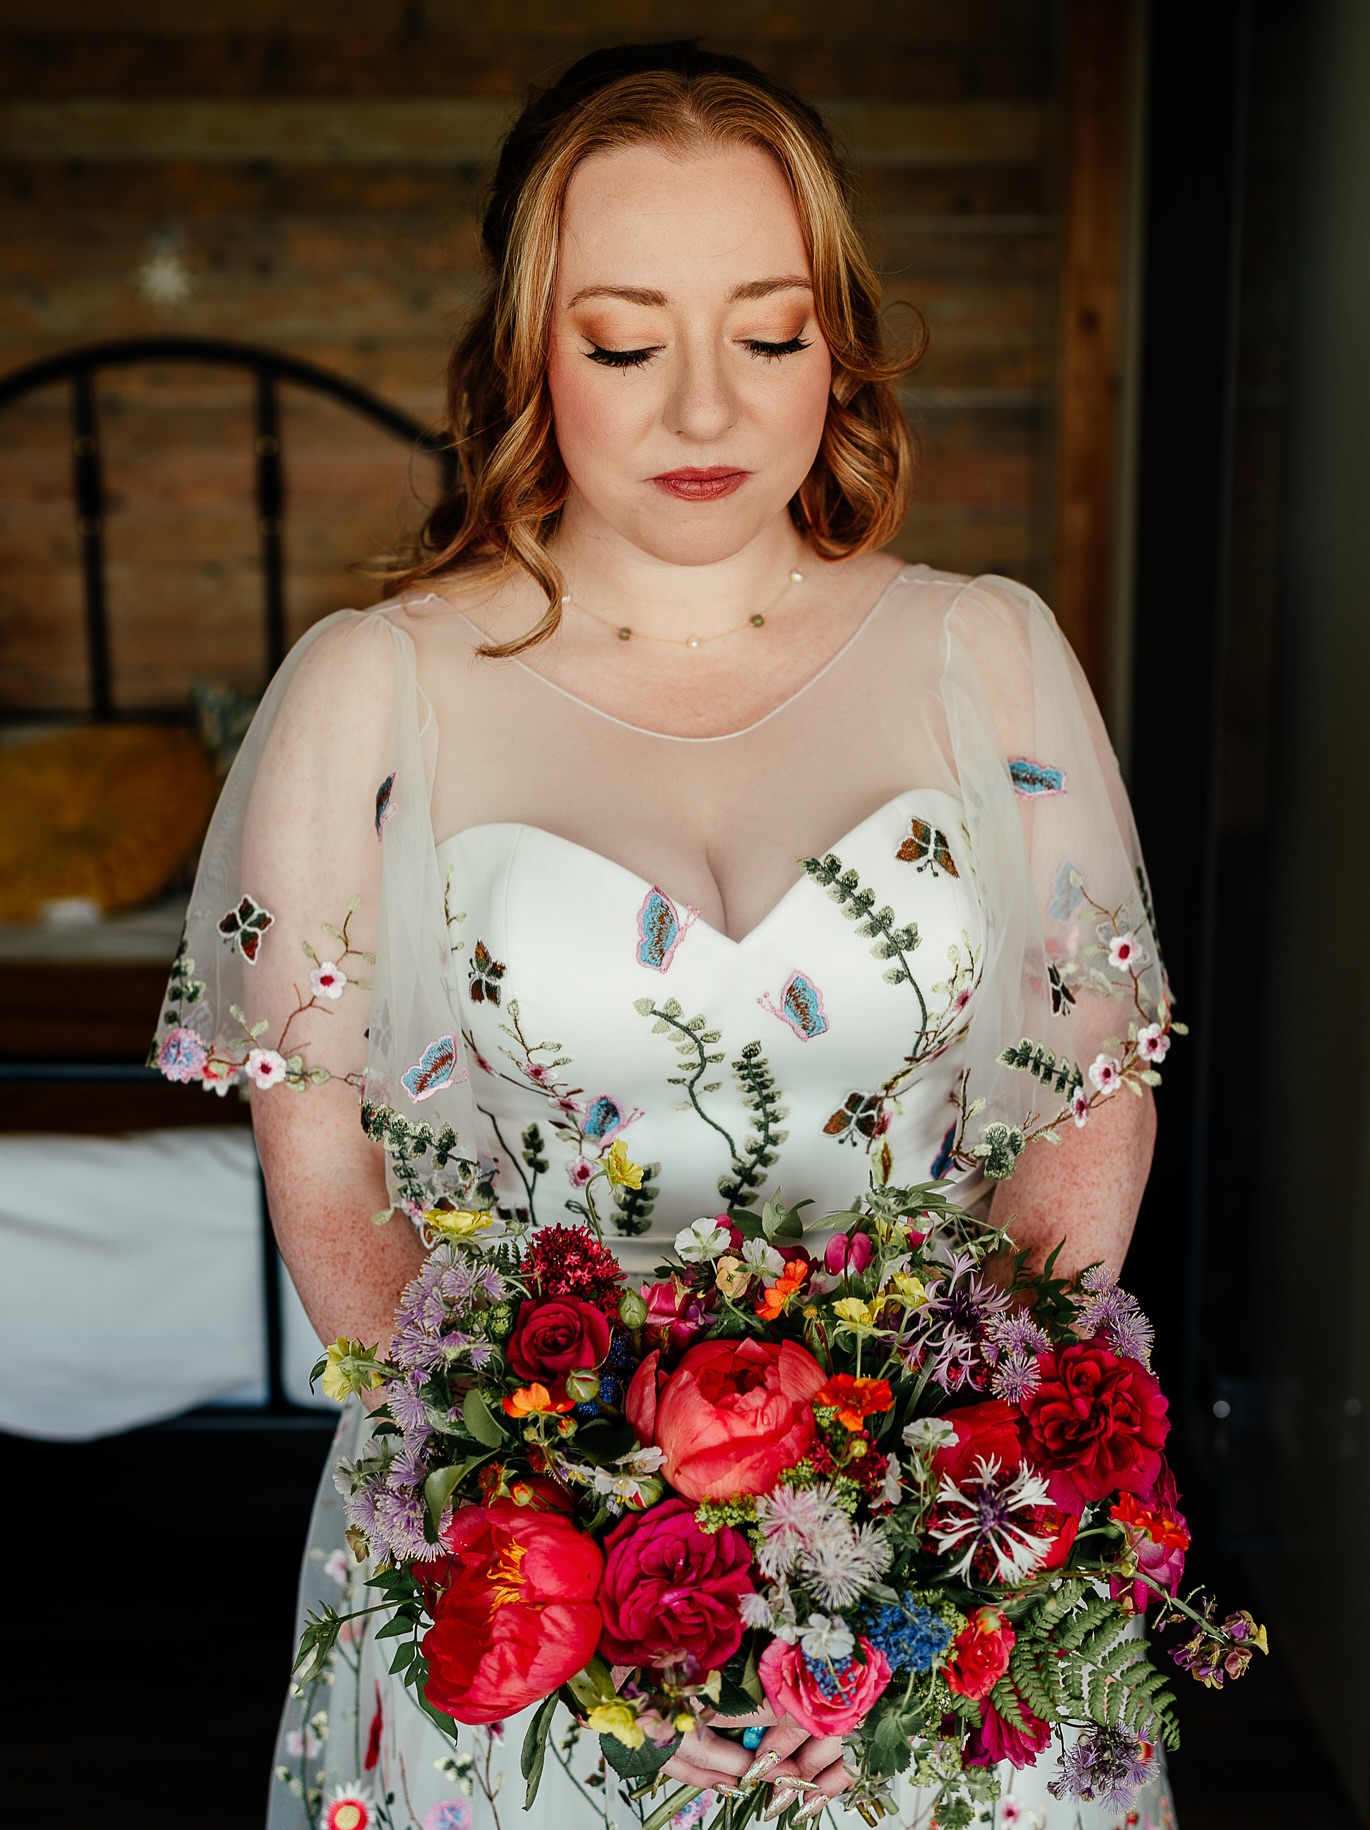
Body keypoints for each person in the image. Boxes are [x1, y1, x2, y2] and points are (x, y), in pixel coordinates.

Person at [152, 41, 1179, 1830]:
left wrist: (940, 1556)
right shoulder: (368, 692)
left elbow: (1084, 1111)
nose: (705, 411)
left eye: (768, 336)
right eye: (626, 343)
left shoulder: (988, 655)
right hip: (520, 1600)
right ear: (527, 350)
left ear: (836, 342)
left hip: (940, 1600)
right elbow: (327, 1186)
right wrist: (560, 1569)